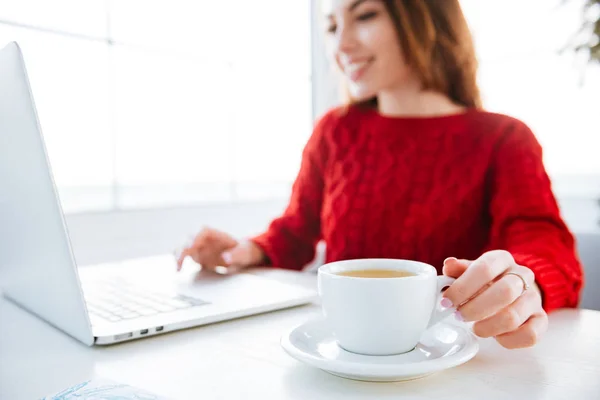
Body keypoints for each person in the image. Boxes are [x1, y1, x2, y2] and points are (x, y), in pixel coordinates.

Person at [176, 0, 583, 349]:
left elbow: (545, 246)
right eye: (332, 26)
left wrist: (520, 284)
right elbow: (295, 232)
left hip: (454, 365)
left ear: (426, 16)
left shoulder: (504, 138)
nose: (341, 44)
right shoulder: (335, 131)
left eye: (365, 15)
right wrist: (242, 252)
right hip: (343, 358)